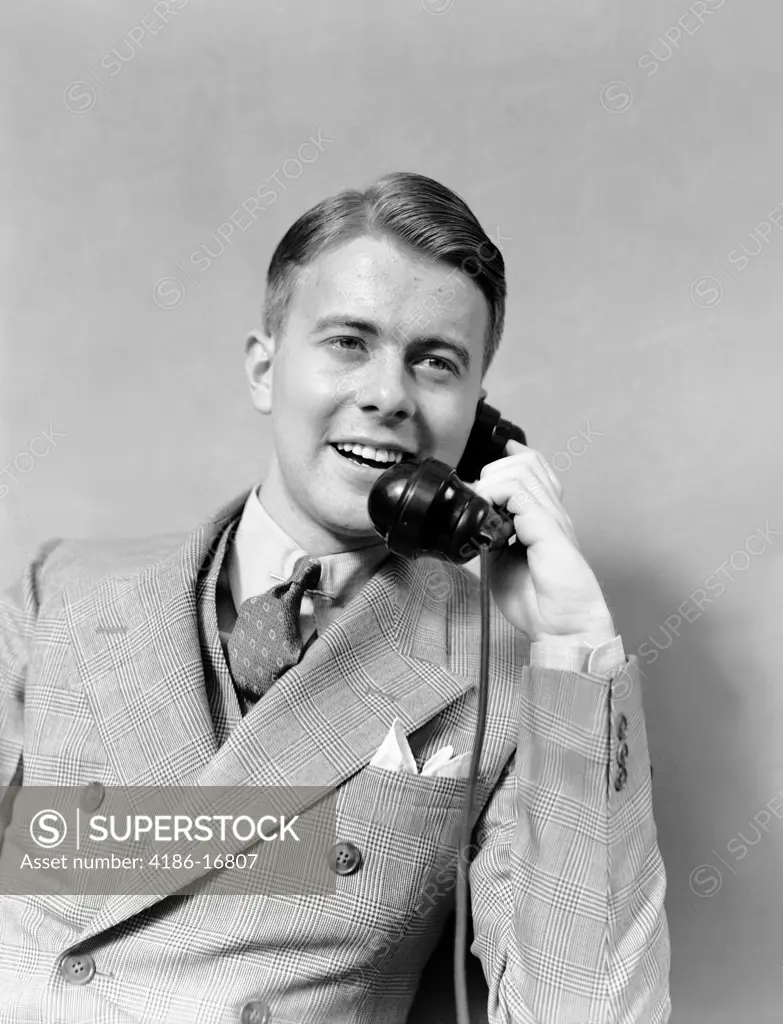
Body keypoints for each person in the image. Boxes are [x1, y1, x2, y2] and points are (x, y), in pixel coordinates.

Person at [0, 171, 670, 1023]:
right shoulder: (58, 589)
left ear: (478, 422)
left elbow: (589, 1015)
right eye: (349, 342)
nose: (388, 394)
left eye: (434, 362)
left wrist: (575, 646)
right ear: (263, 368)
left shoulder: (510, 672)